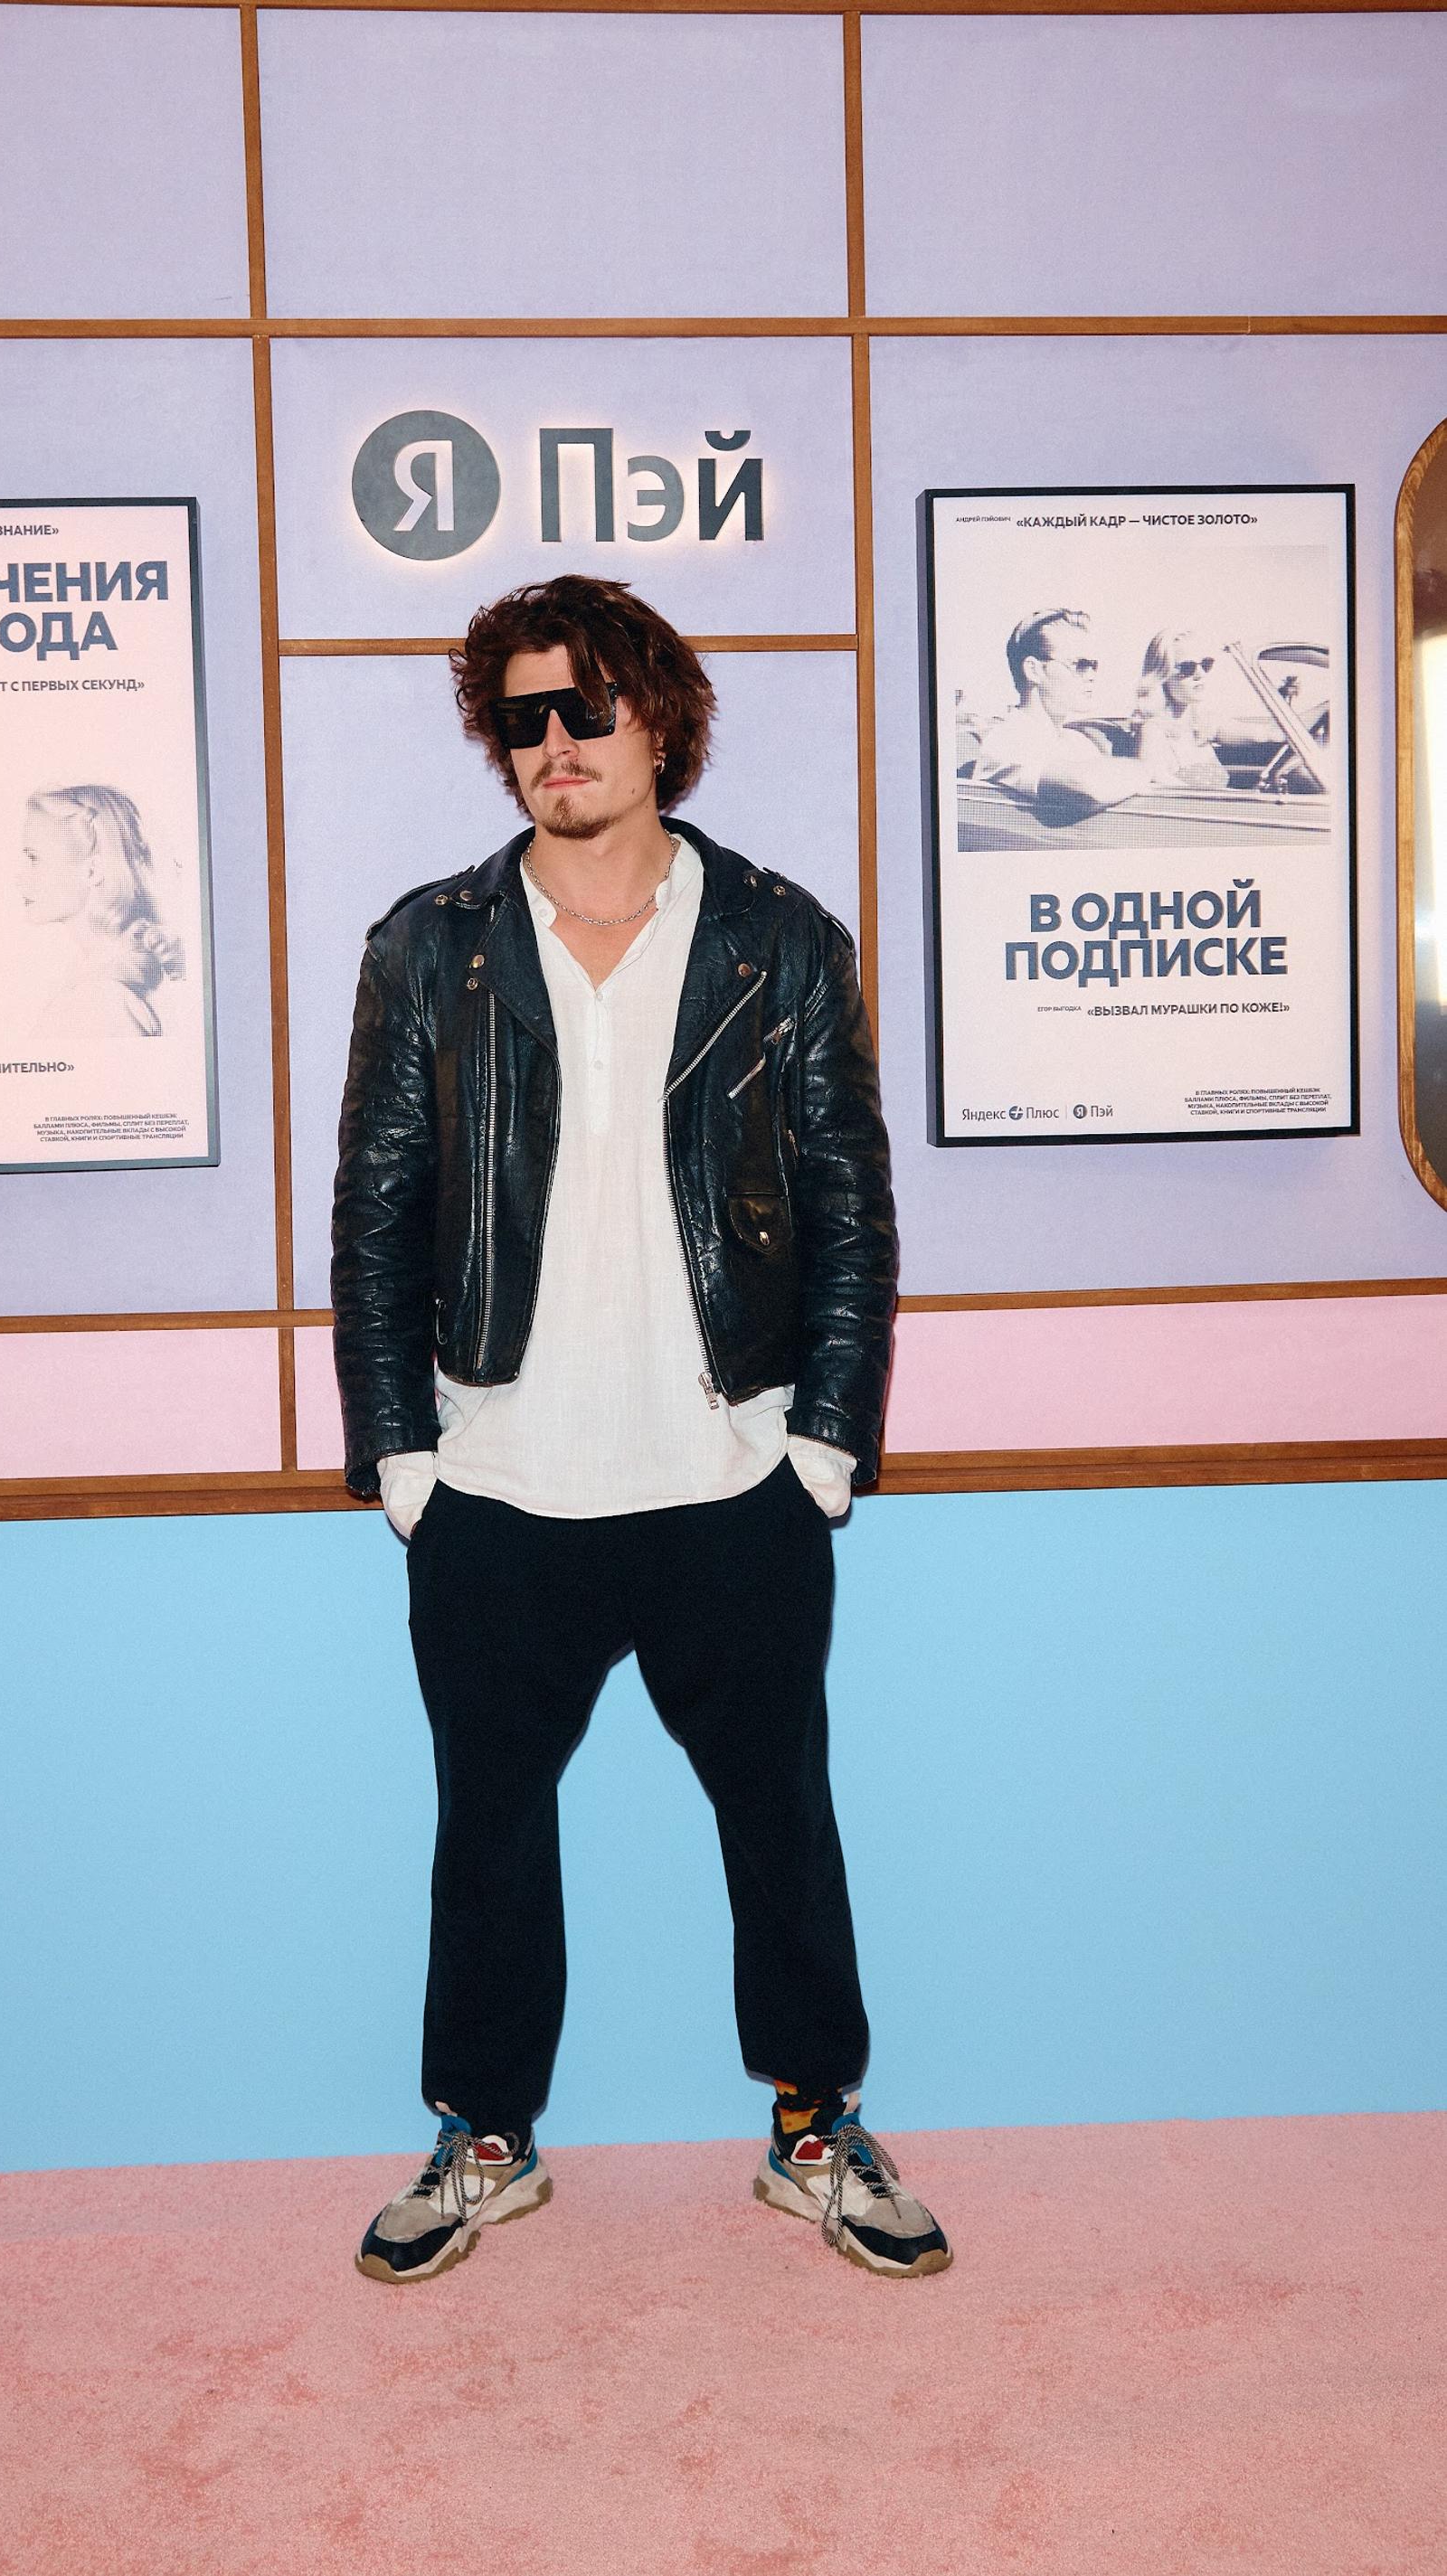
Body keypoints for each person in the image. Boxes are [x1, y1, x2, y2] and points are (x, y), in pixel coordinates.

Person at [332, 574, 950, 2287]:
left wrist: (824, 1445)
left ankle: (815, 2125)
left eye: (584, 708)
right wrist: (402, 1458)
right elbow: (374, 1215)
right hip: (496, 1478)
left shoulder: (777, 937)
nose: (553, 742)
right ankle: (486, 2132)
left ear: (659, 718)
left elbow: (851, 1207)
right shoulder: (430, 946)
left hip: (730, 1471)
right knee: (486, 1829)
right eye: (520, 715)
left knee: (782, 1818)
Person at [20, 786, 183, 1043]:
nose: (20, 878)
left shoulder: (97, 1000)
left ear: (93, 871)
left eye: (34, 858)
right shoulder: (96, 984)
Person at [972, 607, 1150, 820]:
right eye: (1080, 665)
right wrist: (1148, 768)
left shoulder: (1078, 742)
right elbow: (1088, 787)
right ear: (1034, 670)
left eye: (1094, 665)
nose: (1091, 675)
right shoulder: (1006, 739)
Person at [1132, 630, 1227, 788]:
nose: (1200, 674)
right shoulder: (1153, 731)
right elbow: (1158, 785)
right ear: (1162, 675)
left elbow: (1257, 734)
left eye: (1206, 664)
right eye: (1187, 668)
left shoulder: (1199, 724)